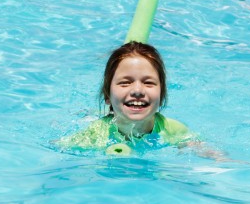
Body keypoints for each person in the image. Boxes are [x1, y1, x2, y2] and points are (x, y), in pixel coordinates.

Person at [59, 42, 210, 156]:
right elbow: (59, 148)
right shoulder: (96, 133)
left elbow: (207, 151)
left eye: (148, 82)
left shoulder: (173, 130)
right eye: (125, 83)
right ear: (107, 96)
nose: (137, 91)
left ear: (162, 95)